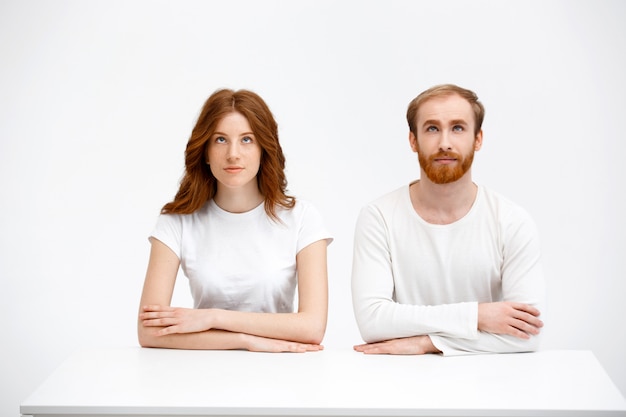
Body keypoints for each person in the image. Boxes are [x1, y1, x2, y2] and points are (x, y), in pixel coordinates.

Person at [351, 84, 545, 355]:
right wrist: (477, 316)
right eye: (432, 128)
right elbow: (373, 321)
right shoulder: (379, 217)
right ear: (413, 140)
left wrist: (427, 343)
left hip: (492, 385)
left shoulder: (512, 221)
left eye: (457, 128)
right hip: (401, 385)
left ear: (478, 139)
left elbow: (528, 335)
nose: (445, 142)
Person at [138, 89, 332, 352]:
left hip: (281, 371)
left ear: (264, 148)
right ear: (205, 151)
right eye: (220, 139)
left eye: (247, 140)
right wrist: (244, 341)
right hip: (203, 371)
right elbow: (149, 333)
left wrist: (215, 317)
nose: (233, 154)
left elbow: (312, 327)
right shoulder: (177, 221)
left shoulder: (302, 218)